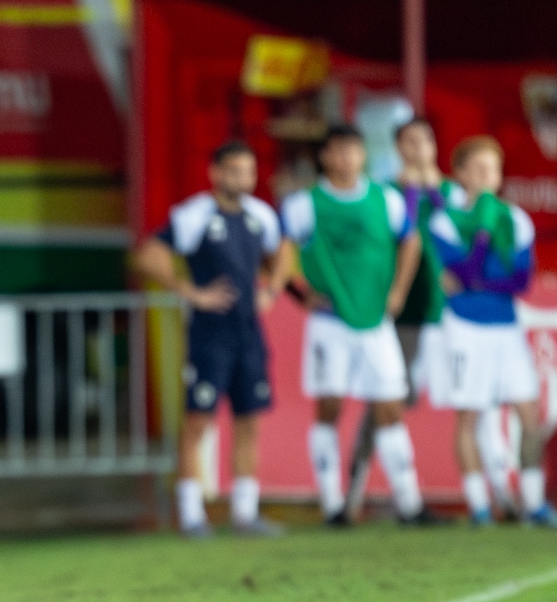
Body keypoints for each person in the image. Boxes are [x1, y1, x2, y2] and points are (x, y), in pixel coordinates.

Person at [345, 118, 519, 520]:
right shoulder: (386, 194)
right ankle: (353, 495)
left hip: (456, 316)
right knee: (385, 402)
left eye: (425, 139)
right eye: (409, 140)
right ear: (397, 146)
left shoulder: (455, 195)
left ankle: (503, 496)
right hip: (405, 314)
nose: (418, 147)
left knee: (482, 404)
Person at [278, 124, 445, 526]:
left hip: (375, 320)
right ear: (325, 157)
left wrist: (398, 292)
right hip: (330, 321)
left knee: (390, 405)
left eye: (354, 151)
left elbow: (411, 241)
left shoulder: (385, 199)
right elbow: (280, 252)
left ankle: (409, 504)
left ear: (363, 155)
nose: (347, 159)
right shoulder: (304, 204)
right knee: (330, 406)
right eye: (339, 152)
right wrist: (299, 293)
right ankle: (333, 506)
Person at [135, 140, 289, 536]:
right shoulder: (194, 215)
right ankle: (190, 513)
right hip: (209, 336)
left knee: (249, 420)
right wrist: (189, 291)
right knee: (197, 421)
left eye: (249, 171)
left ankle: (244, 511)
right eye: (235, 171)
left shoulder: (262, 216)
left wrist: (271, 289)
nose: (244, 179)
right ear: (216, 173)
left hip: (248, 334)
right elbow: (149, 254)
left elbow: (283, 251)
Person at [427, 135, 557, 528]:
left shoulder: (517, 219)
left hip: (506, 328)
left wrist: (477, 281)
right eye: (477, 169)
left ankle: (534, 503)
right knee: (468, 417)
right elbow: (468, 270)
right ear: (459, 175)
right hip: (464, 329)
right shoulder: (445, 221)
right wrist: (483, 235)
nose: (486, 177)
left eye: (492, 169)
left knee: (528, 411)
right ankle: (479, 507)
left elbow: (521, 280)